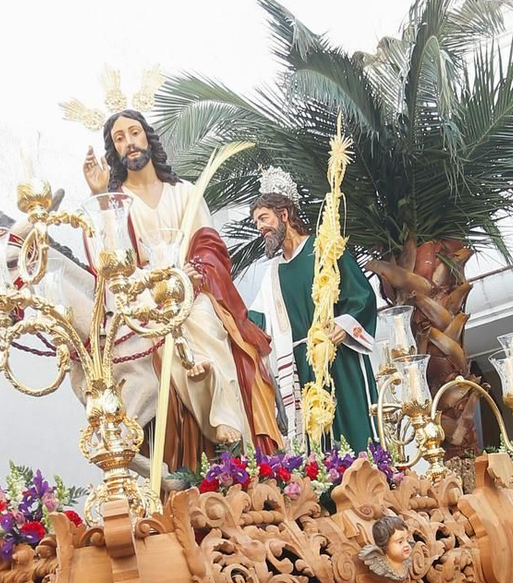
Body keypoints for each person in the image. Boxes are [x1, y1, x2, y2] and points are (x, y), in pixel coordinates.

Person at [82, 104, 281, 459]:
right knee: (158, 338)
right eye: (119, 138)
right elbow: (110, 260)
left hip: (188, 288)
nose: (129, 142)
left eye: (134, 133)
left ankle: (224, 416)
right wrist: (101, 199)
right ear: (114, 151)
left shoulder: (184, 193)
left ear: (147, 137)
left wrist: (195, 272)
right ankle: (197, 411)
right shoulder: (117, 203)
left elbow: (208, 245)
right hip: (143, 295)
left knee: (203, 321)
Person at [239, 169, 379, 451]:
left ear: (284, 215)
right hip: (302, 369)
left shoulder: (323, 248)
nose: (260, 228)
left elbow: (362, 294)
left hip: (339, 355)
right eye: (256, 222)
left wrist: (345, 323)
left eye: (263, 218)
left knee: (353, 428)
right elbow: (254, 323)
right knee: (318, 446)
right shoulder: (273, 274)